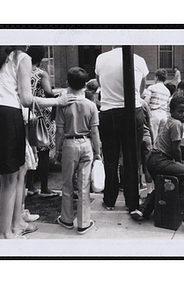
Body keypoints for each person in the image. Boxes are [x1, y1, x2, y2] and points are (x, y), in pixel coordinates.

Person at [0, 46, 68, 239]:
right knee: (12, 178)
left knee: (5, 178)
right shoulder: (21, 57)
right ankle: (7, 234)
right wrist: (57, 102)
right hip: (9, 114)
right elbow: (26, 99)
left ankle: (12, 227)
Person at [131, 96, 184, 236]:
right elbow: (176, 150)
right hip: (160, 160)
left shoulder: (172, 120)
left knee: (167, 181)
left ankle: (144, 209)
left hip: (154, 160)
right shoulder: (177, 124)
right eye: (181, 112)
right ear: (172, 110)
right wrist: (181, 165)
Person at [95, 46, 149, 215]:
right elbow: (140, 90)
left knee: (110, 159)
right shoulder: (139, 59)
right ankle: (132, 201)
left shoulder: (101, 59)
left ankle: (109, 199)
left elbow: (99, 82)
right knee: (132, 158)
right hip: (132, 111)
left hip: (109, 110)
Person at [55, 67, 101, 235]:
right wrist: (98, 152)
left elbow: (59, 131)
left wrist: (56, 148)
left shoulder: (63, 104)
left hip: (69, 144)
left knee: (67, 184)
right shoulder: (91, 105)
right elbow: (95, 131)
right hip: (87, 144)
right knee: (84, 185)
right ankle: (83, 223)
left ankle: (66, 219)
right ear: (84, 85)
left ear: (67, 83)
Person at [26, 46, 57, 197]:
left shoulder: (22, 73)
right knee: (43, 151)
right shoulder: (41, 74)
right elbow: (49, 93)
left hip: (26, 115)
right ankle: (45, 188)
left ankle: (30, 186)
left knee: (30, 150)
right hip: (42, 117)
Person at [143, 68, 171, 141]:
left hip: (154, 113)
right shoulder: (167, 91)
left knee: (153, 136)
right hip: (164, 114)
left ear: (157, 77)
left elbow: (146, 101)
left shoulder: (152, 88)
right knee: (161, 138)